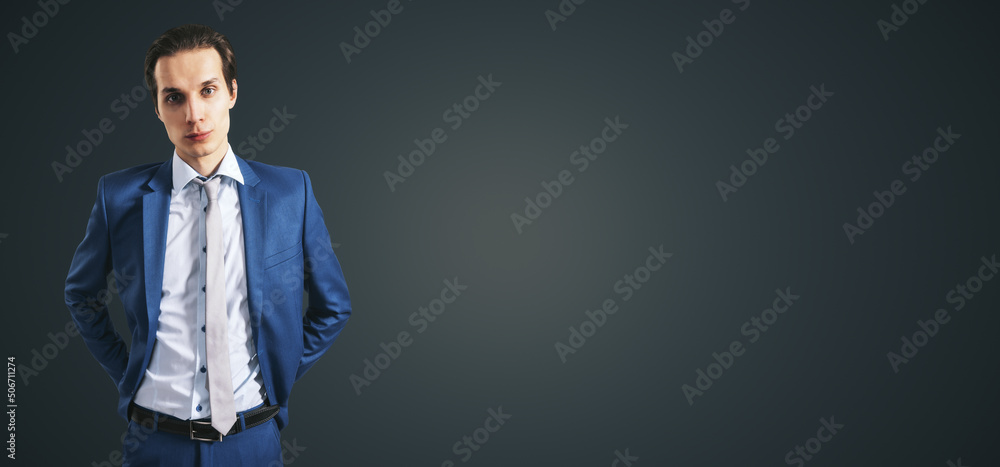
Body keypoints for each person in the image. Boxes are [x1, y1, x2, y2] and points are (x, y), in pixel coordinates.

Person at [63, 24, 351, 466]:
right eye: (174, 97)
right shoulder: (118, 196)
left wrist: (278, 371)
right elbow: (82, 295)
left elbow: (333, 306)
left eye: (208, 90)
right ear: (158, 109)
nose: (194, 114)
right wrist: (131, 373)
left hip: (252, 441)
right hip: (153, 444)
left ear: (232, 93)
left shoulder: (292, 192)